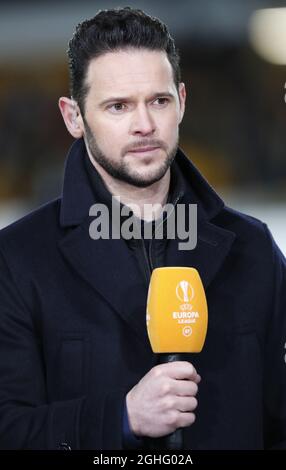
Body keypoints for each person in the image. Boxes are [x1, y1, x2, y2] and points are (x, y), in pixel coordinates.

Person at [0, 7, 285, 451]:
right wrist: (121, 416)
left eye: (158, 100)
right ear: (74, 117)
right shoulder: (18, 260)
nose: (145, 125)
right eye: (118, 106)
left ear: (182, 102)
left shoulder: (253, 249)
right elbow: (9, 429)